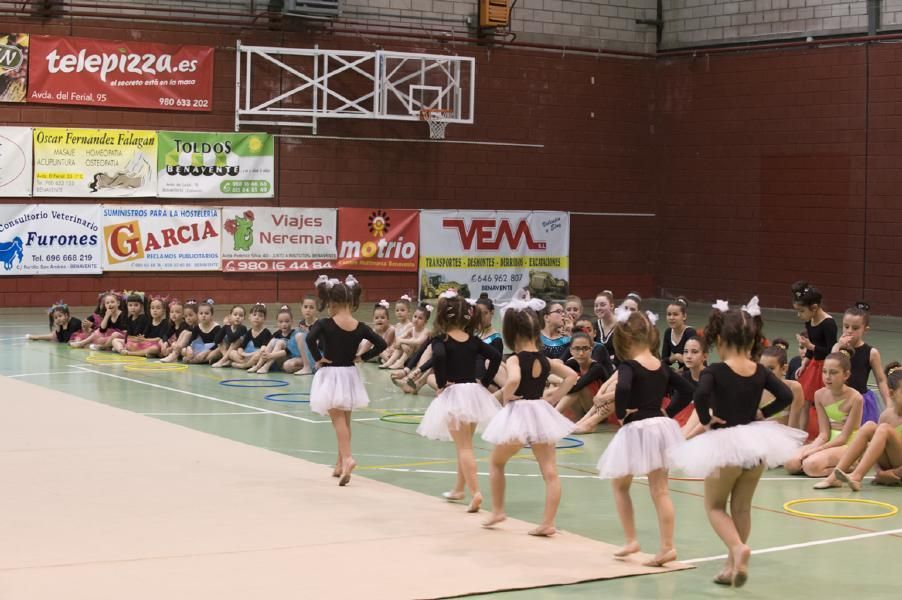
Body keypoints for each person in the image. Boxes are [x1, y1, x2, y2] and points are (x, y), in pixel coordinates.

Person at [669, 299, 805, 587]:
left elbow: (700, 396)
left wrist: (705, 420)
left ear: (719, 340)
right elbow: (786, 396)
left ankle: (738, 550)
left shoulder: (714, 371)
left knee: (716, 507)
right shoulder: (760, 370)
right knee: (741, 508)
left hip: (724, 446)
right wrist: (762, 413)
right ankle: (732, 566)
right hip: (755, 444)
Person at [596, 308, 696, 566]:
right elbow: (686, 390)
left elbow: (624, 386)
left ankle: (631, 539)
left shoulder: (629, 365)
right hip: (662, 426)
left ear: (625, 339)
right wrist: (667, 411)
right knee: (660, 490)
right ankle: (667, 546)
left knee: (620, 486)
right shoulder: (661, 366)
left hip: (638, 427)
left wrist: (621, 413)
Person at [481, 296, 578, 536]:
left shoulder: (514, 358)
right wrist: (553, 399)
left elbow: (513, 379)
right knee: (550, 470)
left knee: (496, 461)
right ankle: (548, 522)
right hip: (540, 412)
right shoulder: (545, 360)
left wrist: (507, 398)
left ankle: (498, 511)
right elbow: (571, 377)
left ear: (511, 332)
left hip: (519, 413)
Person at [417, 291, 502, 511]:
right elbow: (495, 356)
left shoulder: (441, 339)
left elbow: (439, 357)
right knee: (465, 446)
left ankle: (476, 493)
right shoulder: (473, 340)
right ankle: (459, 488)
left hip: (454, 393)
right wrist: (485, 381)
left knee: (464, 447)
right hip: (473, 393)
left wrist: (443, 382)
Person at [307, 275, 387, 486]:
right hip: (350, 373)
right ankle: (340, 463)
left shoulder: (325, 323)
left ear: (332, 303)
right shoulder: (360, 326)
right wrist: (362, 357)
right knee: (346, 420)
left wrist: (318, 358)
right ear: (350, 301)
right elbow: (381, 345)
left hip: (331, 373)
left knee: (338, 420)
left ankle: (349, 458)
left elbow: (309, 339)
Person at [816, 362, 902, 490]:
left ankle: (856, 476)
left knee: (883, 429)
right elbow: (876, 447)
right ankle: (833, 477)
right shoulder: (886, 416)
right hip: (889, 466)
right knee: (869, 426)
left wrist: (894, 474)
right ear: (891, 393)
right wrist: (880, 472)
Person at [784, 350, 863, 477]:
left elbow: (843, 438)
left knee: (811, 466)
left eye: (833, 372)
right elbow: (824, 433)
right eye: (824, 371)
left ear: (846, 374)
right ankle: (830, 462)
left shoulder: (856, 398)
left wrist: (816, 450)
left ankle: (851, 465)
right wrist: (812, 448)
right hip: (828, 441)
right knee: (791, 464)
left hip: (848, 444)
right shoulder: (819, 394)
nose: (827, 377)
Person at [791, 281, 837, 437]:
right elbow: (812, 349)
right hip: (813, 365)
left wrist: (810, 347)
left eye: (801, 311)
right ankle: (801, 434)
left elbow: (832, 350)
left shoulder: (828, 323)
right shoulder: (809, 320)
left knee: (823, 403)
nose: (799, 315)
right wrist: (805, 363)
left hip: (826, 367)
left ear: (815, 308)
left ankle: (826, 433)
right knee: (804, 401)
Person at [832, 302, 889, 425]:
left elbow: (881, 380)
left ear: (865, 329)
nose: (849, 331)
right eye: (846, 326)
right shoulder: (837, 348)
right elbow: (830, 365)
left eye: (855, 328)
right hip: (839, 399)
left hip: (861, 401)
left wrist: (888, 404)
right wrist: (839, 347)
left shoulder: (871, 353)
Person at [758, 340, 805, 428]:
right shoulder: (755, 388)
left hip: (783, 437)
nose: (765, 373)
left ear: (784, 369)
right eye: (761, 368)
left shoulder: (794, 388)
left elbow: (793, 426)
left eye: (770, 368)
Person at [228, 303, 272, 370]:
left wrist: (249, 354)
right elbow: (241, 347)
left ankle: (243, 366)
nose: (257, 317)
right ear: (249, 317)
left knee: (258, 355)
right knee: (231, 353)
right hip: (248, 355)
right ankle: (249, 364)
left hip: (257, 356)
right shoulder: (249, 332)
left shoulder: (266, 332)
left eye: (260, 316)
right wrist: (241, 353)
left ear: (264, 319)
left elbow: (263, 349)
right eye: (254, 315)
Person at [662, 297, 697, 370]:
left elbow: (694, 362)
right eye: (669, 314)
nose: (671, 318)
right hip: (682, 372)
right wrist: (675, 357)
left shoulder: (690, 333)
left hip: (695, 373)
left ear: (684, 316)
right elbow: (664, 361)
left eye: (675, 314)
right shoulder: (668, 332)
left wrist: (678, 372)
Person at [182, 300, 221, 364]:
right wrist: (189, 348)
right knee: (184, 350)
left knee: (217, 351)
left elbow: (217, 344)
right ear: (197, 315)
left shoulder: (216, 327)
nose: (203, 315)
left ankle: (194, 361)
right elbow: (191, 341)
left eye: (206, 313)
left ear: (211, 315)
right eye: (201, 313)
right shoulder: (197, 327)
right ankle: (202, 360)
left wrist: (206, 352)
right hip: (201, 348)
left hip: (211, 349)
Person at [593, 290, 617, 358]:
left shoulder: (622, 326)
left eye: (602, 305)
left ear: (611, 306)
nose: (598, 308)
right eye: (596, 305)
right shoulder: (594, 325)